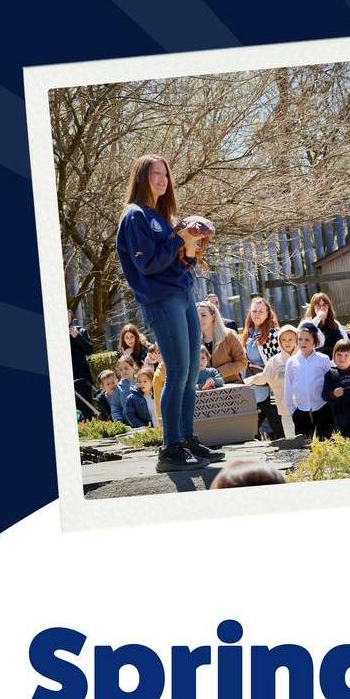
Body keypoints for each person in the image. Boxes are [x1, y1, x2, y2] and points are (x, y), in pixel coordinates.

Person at [114, 153, 217, 471]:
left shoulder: (162, 215)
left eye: (165, 174)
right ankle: (169, 449)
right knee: (176, 373)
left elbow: (176, 262)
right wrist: (177, 240)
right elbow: (147, 263)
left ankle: (186, 439)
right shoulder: (135, 217)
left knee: (189, 374)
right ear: (141, 177)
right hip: (161, 300)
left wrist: (190, 247)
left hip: (183, 295)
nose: (162, 179)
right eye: (155, 173)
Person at [243, 295, 284, 439]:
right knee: (250, 429)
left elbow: (279, 360)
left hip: (268, 386)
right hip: (251, 385)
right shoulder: (247, 334)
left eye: (261, 311)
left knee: (277, 426)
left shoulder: (273, 334)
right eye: (254, 311)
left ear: (268, 313)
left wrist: (263, 370)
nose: (257, 314)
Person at [284, 322, 332, 439]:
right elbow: (288, 386)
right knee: (303, 444)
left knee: (324, 442)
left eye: (307, 340)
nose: (303, 343)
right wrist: (292, 409)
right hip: (301, 409)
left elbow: (330, 381)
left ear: (314, 342)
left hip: (322, 407)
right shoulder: (292, 362)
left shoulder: (323, 359)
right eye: (300, 339)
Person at [257, 324, 300, 437]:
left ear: (297, 339)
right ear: (279, 341)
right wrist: (249, 381)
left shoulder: (303, 357)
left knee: (307, 437)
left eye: (290, 339)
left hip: (304, 406)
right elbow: (264, 377)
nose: (287, 342)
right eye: (284, 339)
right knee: (291, 437)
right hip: (285, 407)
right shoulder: (274, 361)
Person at [199, 298, 246, 384]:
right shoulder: (195, 342)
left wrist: (216, 374)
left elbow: (242, 362)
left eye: (203, 315)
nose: (199, 319)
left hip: (232, 388)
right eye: (197, 316)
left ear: (213, 316)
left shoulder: (229, 335)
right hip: (206, 393)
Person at [106, 358, 154, 428]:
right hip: (128, 423)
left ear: (134, 367)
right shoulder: (119, 388)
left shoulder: (141, 381)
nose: (123, 371)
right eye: (121, 370)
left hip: (147, 418)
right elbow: (115, 406)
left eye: (126, 368)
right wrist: (119, 422)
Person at [302, 292, 345, 359]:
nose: (322, 308)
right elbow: (305, 331)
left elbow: (346, 341)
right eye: (318, 306)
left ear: (328, 308)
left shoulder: (335, 324)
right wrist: (318, 317)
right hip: (317, 361)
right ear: (313, 308)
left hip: (337, 360)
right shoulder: (307, 323)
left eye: (324, 305)